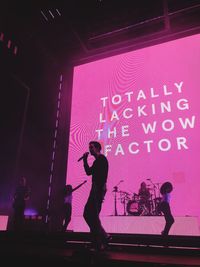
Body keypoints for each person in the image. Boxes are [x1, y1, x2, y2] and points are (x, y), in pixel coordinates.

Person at [82, 141, 110, 250]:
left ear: (98, 148)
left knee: (91, 215)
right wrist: (84, 160)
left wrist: (100, 191)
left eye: (91, 147)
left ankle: (99, 241)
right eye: (89, 147)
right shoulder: (97, 161)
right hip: (95, 190)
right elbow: (89, 172)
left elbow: (102, 177)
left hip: (97, 190)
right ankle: (102, 238)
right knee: (89, 215)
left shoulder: (102, 159)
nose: (90, 149)